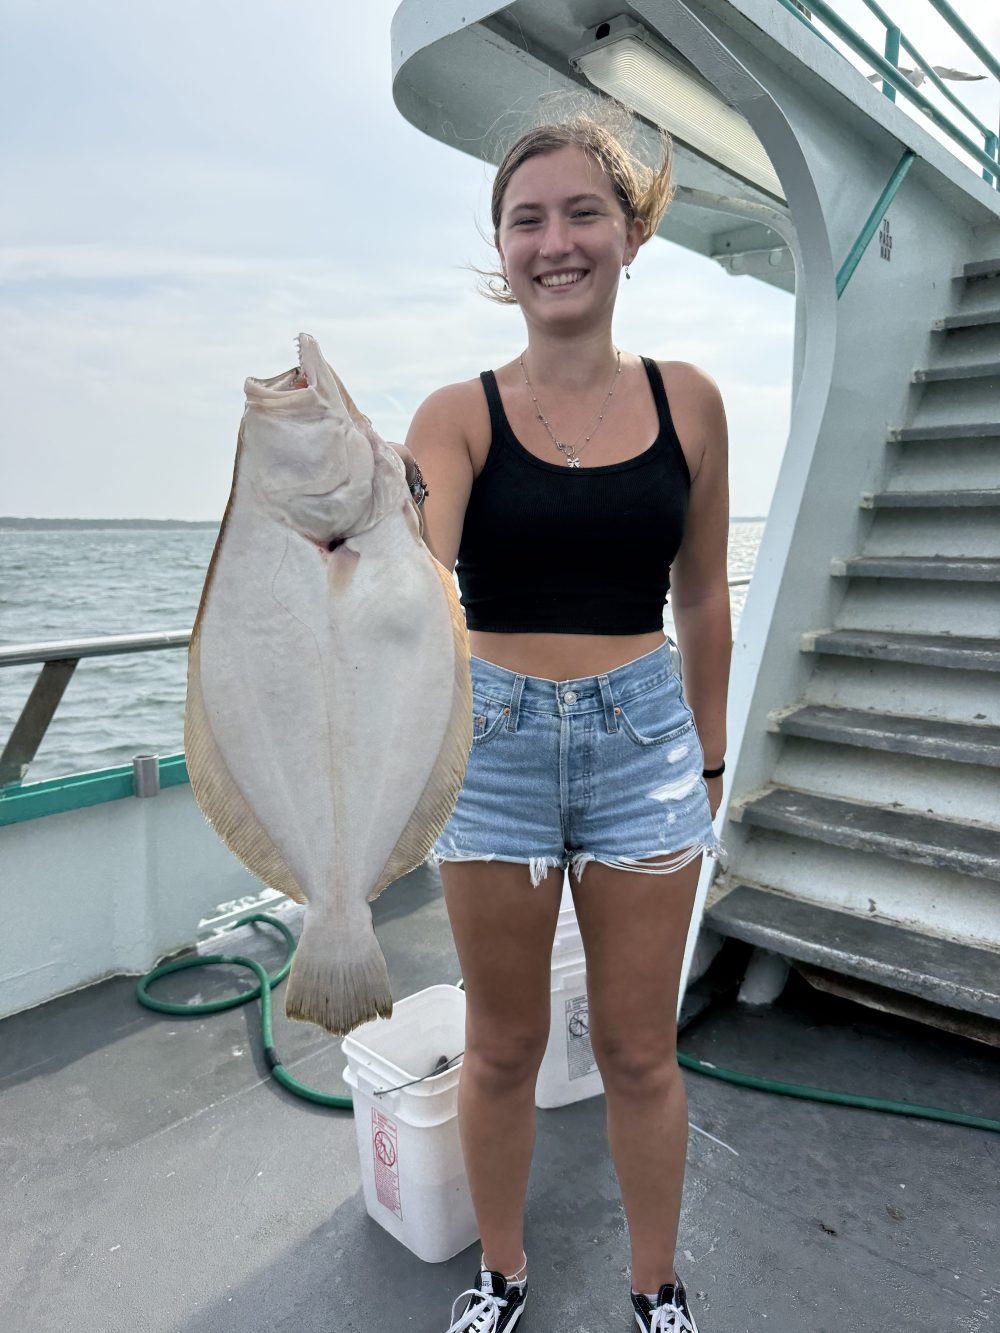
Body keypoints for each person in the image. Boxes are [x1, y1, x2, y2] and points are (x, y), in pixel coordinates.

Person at [400, 100, 731, 1333]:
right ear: (502, 251)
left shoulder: (690, 401)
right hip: (485, 743)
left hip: (646, 737)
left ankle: (656, 1287)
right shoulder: (456, 414)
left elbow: (702, 591)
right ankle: (501, 1273)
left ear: (629, 233)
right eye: (525, 218)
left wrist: (702, 758)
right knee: (502, 1046)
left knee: (643, 1050)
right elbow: (403, 576)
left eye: (583, 212)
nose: (555, 239)